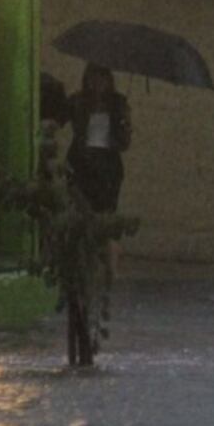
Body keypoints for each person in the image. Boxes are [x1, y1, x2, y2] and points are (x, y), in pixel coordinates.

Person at [66, 64, 131, 273]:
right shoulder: (78, 102)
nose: (97, 84)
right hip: (82, 164)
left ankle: (110, 266)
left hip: (107, 166)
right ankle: (86, 262)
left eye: (102, 79)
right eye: (93, 79)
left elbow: (124, 143)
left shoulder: (118, 104)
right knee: (83, 213)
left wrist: (125, 123)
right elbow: (62, 119)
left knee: (107, 216)